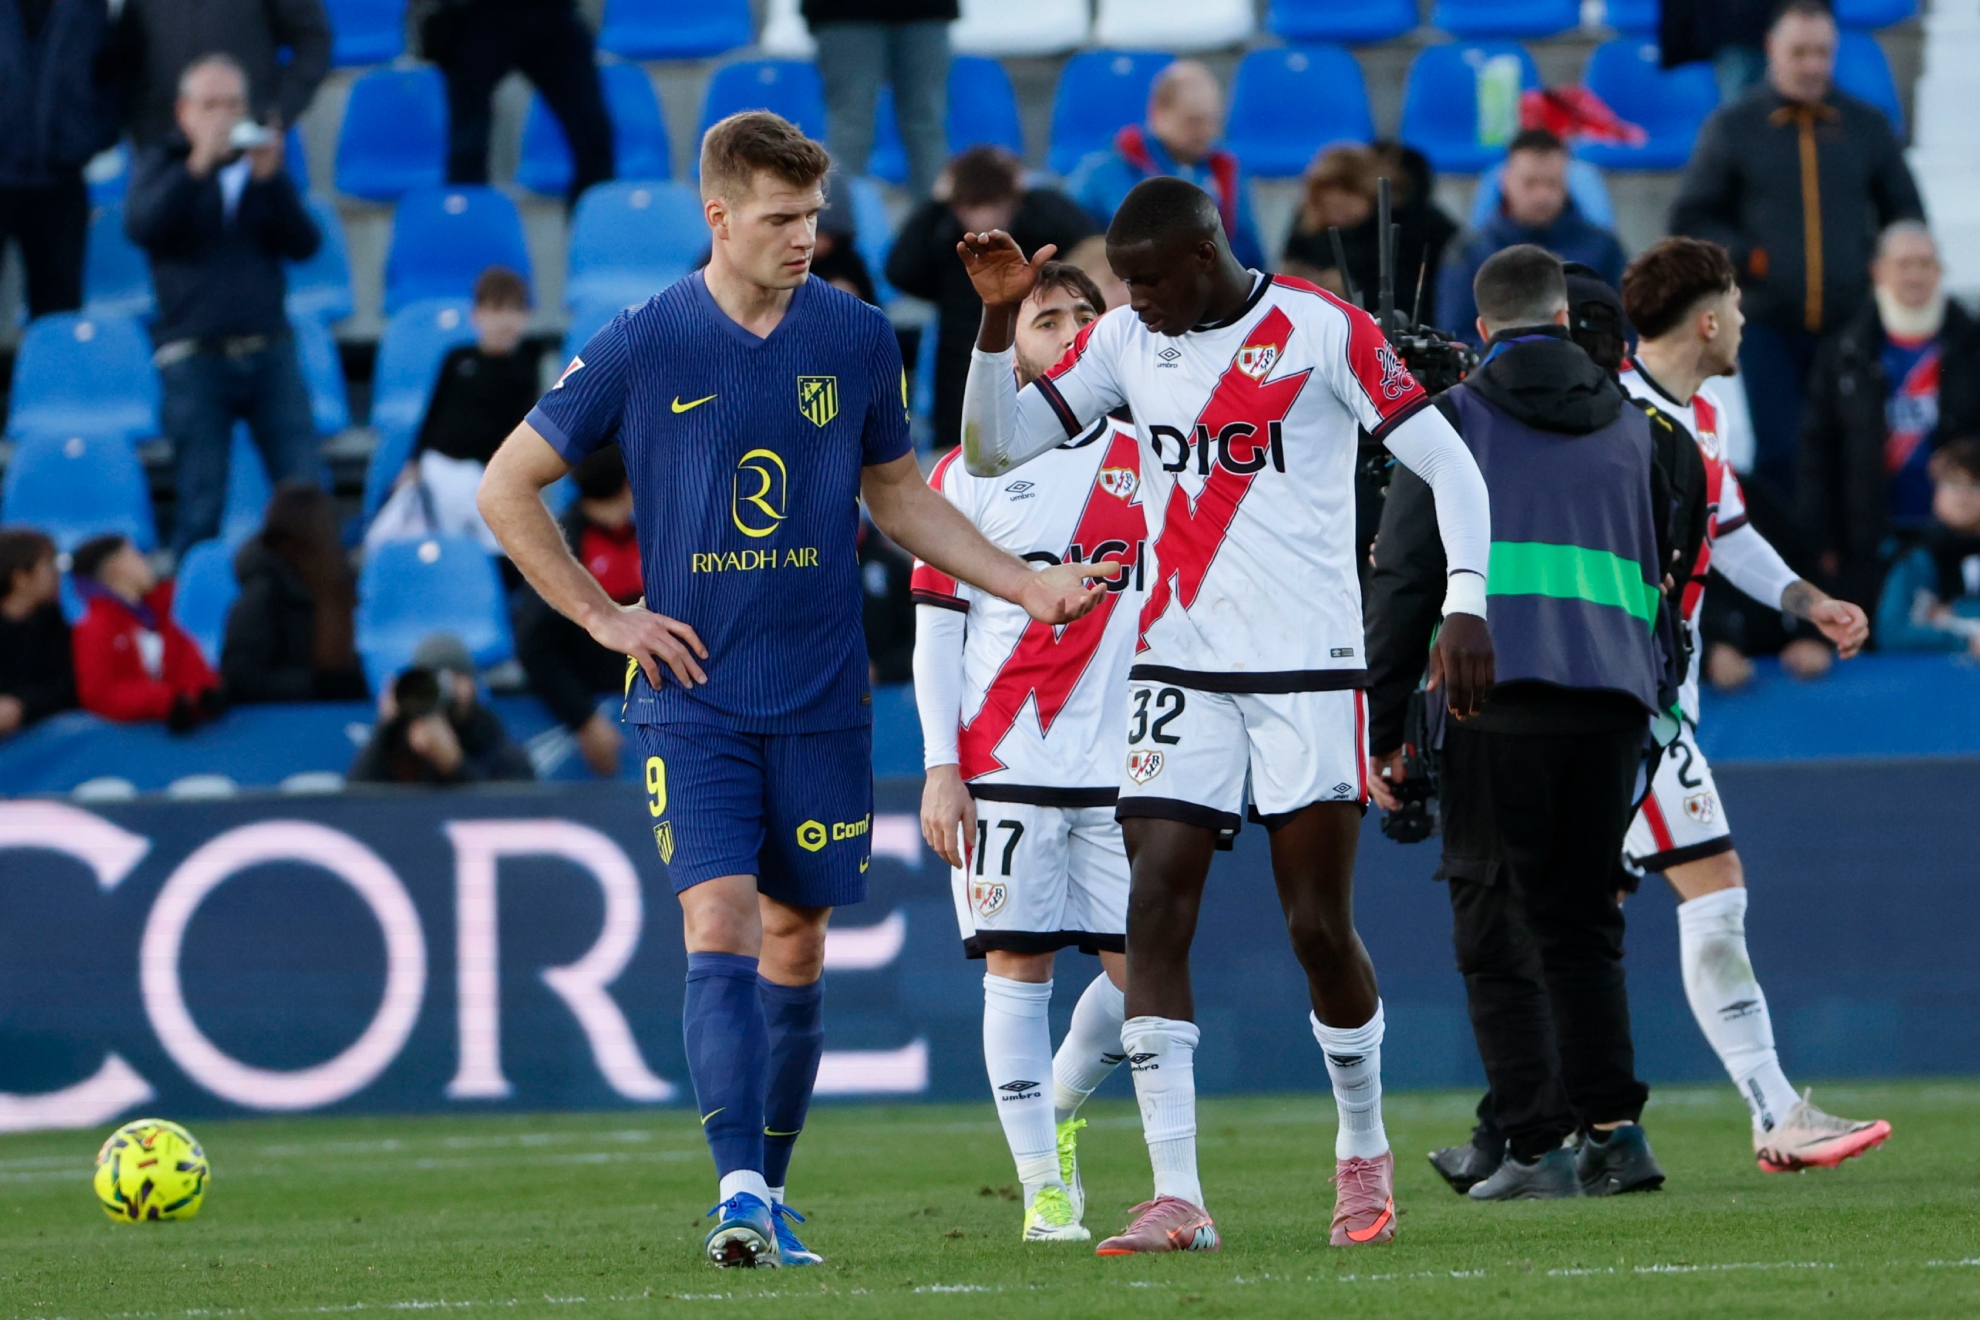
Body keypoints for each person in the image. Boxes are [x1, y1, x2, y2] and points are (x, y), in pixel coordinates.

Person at [474, 110, 1116, 1270]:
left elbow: (900, 496)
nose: (803, 236)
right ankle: (734, 1194)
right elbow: (508, 486)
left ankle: (769, 1190)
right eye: (779, 218)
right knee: (716, 922)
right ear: (716, 218)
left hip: (822, 694)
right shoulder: (642, 341)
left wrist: (1022, 584)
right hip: (694, 697)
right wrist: (604, 617)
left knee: (797, 940)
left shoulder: (859, 335)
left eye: (813, 215)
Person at [958, 177, 1495, 1250]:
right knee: (1154, 906)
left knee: (1316, 927)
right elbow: (992, 451)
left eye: (1149, 281)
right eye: (1127, 283)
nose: (1134, 300)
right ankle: (1178, 1195)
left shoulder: (1319, 329)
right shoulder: (1122, 342)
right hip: (1178, 669)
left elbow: (1451, 464)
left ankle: (1360, 1141)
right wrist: (988, 320)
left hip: (1308, 671)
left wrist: (1465, 600)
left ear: (1202, 257)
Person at [1368, 246, 1669, 1202]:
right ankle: (1616, 1137)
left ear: (1483, 328)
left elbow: (1411, 579)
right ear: (1566, 317)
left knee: (1493, 919)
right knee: (1584, 925)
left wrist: (1379, 725)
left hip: (1491, 696)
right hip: (1614, 698)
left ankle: (1533, 1145)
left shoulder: (1452, 424)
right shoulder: (1636, 425)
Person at [1613, 237, 1889, 1174]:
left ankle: (1540, 1129)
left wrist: (1808, 600)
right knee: (1714, 889)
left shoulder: (1702, 415)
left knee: (1576, 914)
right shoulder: (1616, 419)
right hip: (1628, 702)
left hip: (1655, 698)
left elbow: (1726, 532)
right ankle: (1775, 1110)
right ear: (1706, 319)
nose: (1742, 320)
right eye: (1732, 303)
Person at [913, 261, 1144, 1243]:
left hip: (1127, 760)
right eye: (1047, 319)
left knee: (1149, 976)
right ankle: (1043, 1189)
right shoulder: (967, 473)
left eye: (1084, 316)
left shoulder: (1157, 454)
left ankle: (1054, 1108)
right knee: (1018, 966)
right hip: (1003, 756)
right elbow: (938, 630)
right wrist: (939, 764)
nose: (1069, 332)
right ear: (1017, 345)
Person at [1670, 0, 1924, 503]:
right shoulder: (1734, 126)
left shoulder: (1865, 126)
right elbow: (1691, 218)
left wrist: (1884, 265)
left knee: (1857, 452)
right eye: (1800, 52)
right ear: (1772, 50)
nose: (1812, 65)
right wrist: (1749, 258)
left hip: (1852, 323)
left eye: (1823, 53)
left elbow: (1906, 213)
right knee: (1782, 455)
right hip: (1767, 325)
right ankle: (1788, 574)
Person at [126, 53, 321, 558]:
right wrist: (196, 167)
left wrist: (272, 181)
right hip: (193, 356)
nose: (224, 116)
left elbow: (304, 244)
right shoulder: (162, 162)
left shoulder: (262, 166)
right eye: (210, 104)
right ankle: (190, 625)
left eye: (233, 103)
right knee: (200, 502)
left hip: (269, 349)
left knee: (304, 496)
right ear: (184, 112)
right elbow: (143, 228)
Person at [1802, 222, 1980, 614]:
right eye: (1904, 264)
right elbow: (1819, 450)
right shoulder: (1845, 349)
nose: (1915, 274)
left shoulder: (1971, 342)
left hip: (1959, 542)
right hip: (1871, 542)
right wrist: (1823, 541)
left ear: (1939, 272)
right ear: (1878, 271)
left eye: (1926, 263)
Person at [886, 146, 1094, 451]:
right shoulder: (945, 242)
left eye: (994, 205)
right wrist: (934, 203)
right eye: (970, 206)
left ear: (1014, 202)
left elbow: (1089, 250)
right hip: (960, 389)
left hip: (1043, 382)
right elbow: (900, 271)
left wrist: (1034, 195)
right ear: (955, 206)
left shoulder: (1042, 229)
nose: (983, 218)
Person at [1066, 61, 1265, 272]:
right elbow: (1075, 248)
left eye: (1212, 121)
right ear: (1158, 113)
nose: (1206, 132)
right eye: (1193, 121)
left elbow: (1249, 253)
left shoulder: (1226, 170)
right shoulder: (1104, 170)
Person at [513, 446, 640, 777]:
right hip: (590, 727)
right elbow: (534, 647)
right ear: (630, 482)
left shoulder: (652, 538)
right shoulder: (559, 548)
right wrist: (584, 720)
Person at [1436, 130, 1626, 346]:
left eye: (1552, 183)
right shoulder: (1470, 252)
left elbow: (1624, 330)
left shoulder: (1602, 248)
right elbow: (1455, 334)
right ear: (1505, 180)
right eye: (1530, 183)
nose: (1542, 196)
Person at [419, 0, 613, 208]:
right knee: (467, 147)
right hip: (477, 16)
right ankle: (465, 228)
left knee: (593, 134)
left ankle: (594, 226)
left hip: (551, 14)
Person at [0, 0, 121, 320]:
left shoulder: (90, 7)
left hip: (60, 181)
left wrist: (86, 138)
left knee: (60, 313)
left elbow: (114, 72)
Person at [220, 479, 365, 703]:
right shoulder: (264, 592)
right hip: (279, 722)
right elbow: (239, 676)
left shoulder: (339, 585)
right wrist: (317, 684)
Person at [109, 0, 329, 146]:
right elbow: (127, 55)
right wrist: (144, 126)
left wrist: (277, 111)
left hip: (245, 142)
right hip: (165, 146)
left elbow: (312, 40)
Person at [1281, 142, 1456, 323]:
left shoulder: (1413, 224)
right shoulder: (1309, 222)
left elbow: (1419, 291)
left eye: (1345, 207)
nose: (1337, 216)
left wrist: (1353, 289)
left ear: (1370, 195)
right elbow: (1290, 264)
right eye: (1328, 208)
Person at [69, 532, 222, 728]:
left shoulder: (164, 613)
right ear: (115, 567)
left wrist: (203, 691)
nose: (145, 561)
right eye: (135, 555)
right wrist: (165, 701)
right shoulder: (94, 628)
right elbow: (101, 693)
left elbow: (188, 662)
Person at [803, 0, 952, 200]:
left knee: (926, 126)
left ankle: (939, 223)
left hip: (926, 11)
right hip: (844, 13)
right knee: (853, 127)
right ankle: (839, 222)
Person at [347, 635, 535, 784]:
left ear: (472, 684)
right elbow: (353, 801)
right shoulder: (400, 739)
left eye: (454, 677)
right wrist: (385, 726)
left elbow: (509, 816)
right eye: (432, 681)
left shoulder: (495, 744)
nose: (443, 690)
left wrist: (455, 766)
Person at [417, 267, 545, 468]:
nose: (505, 320)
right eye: (496, 309)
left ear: (526, 315)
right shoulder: (457, 358)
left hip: (490, 473)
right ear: (477, 314)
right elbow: (432, 413)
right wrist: (414, 463)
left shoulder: (526, 367)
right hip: (439, 465)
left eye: (514, 309)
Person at [1876, 438, 1980, 654]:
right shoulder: (1914, 556)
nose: (1962, 497)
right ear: (1935, 492)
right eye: (1952, 484)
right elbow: (1891, 632)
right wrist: (1964, 641)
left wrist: (1956, 613)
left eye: (1974, 485)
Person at [0, 528, 77, 735]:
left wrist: (20, 706)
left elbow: (67, 688)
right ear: (21, 578)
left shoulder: (58, 626)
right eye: (49, 566)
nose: (58, 575)